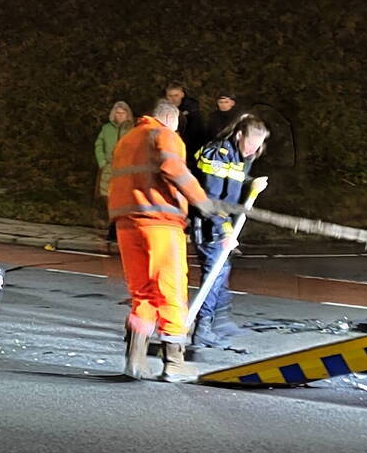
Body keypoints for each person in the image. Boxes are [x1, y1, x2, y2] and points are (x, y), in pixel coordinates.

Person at [109, 101, 243, 382]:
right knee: (170, 291)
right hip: (159, 222)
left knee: (142, 293)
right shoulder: (164, 134)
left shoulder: (127, 140)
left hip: (126, 222)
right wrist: (203, 203)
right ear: (172, 121)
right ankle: (174, 362)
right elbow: (174, 169)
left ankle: (134, 362)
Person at [190, 114, 270, 349]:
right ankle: (203, 327)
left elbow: (234, 183)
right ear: (238, 135)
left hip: (219, 221)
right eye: (250, 144)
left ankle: (216, 321)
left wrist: (251, 183)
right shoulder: (218, 154)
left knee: (221, 269)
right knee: (215, 270)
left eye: (258, 145)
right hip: (206, 221)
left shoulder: (241, 155)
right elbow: (211, 199)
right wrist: (225, 231)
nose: (253, 150)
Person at [94, 101, 134, 234]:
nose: (120, 115)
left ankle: (120, 225)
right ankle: (112, 224)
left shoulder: (132, 129)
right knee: (107, 196)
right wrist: (102, 162)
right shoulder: (106, 128)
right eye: (118, 113)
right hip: (109, 167)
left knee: (124, 196)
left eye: (123, 113)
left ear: (127, 114)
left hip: (126, 167)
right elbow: (99, 145)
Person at [163, 82, 207, 158]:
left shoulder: (193, 111)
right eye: (170, 96)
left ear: (182, 95)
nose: (173, 99)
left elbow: (197, 135)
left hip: (190, 152)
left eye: (176, 95)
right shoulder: (163, 110)